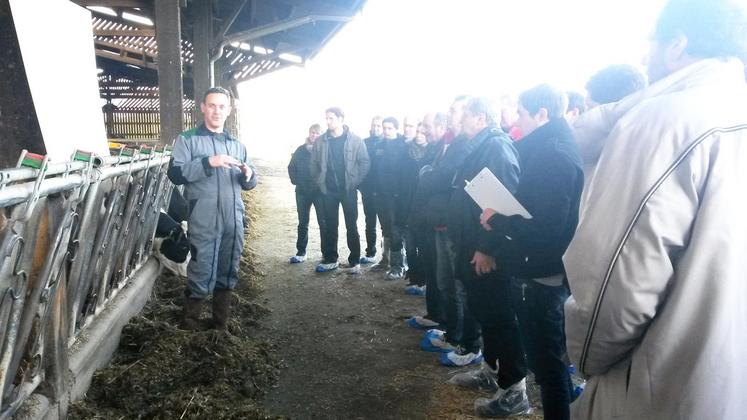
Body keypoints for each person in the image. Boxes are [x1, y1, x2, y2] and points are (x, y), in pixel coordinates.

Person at [564, 0, 747, 418]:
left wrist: (585, 357)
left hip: (659, 389)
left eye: (651, 43)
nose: (645, 57)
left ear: (676, 45)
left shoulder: (663, 121)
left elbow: (615, 286)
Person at [478, 84, 583, 420]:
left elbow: (547, 226)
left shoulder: (553, 154)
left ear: (542, 113)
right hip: (539, 266)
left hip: (541, 272)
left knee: (547, 365)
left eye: (523, 112)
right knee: (549, 362)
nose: (518, 121)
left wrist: (501, 221)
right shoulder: (551, 147)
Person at [446, 96, 530, 417]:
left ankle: (515, 391)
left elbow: (501, 201)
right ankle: (492, 370)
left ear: (479, 116)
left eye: (462, 114)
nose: (459, 119)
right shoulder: (479, 145)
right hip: (472, 245)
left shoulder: (496, 147)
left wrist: (487, 247)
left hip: (485, 251)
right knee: (485, 312)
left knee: (499, 316)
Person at [167, 86, 257, 331]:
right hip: (204, 217)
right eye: (212, 105)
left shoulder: (237, 145)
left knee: (229, 266)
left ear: (228, 110)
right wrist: (208, 162)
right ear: (203, 107)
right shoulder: (187, 140)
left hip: (233, 218)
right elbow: (175, 173)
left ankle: (220, 325)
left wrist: (248, 175)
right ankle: (190, 323)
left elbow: (250, 180)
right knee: (201, 265)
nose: (217, 111)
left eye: (222, 106)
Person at [310, 107, 370, 274]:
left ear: (341, 119)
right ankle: (331, 259)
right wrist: (319, 182)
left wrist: (354, 182)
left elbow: (364, 162)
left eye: (331, 118)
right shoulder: (321, 141)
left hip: (348, 190)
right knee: (330, 225)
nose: (328, 122)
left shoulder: (355, 140)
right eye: (326, 118)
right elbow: (313, 164)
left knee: (351, 225)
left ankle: (355, 260)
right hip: (328, 191)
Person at [372, 117, 409, 279]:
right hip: (381, 195)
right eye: (384, 128)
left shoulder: (404, 146)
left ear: (396, 129)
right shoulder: (378, 146)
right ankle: (385, 260)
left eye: (389, 128)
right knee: (385, 229)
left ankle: (398, 266)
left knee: (396, 231)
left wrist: (400, 193)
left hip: (397, 197)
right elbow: (374, 170)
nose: (386, 131)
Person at [287, 124, 325, 263]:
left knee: (323, 223)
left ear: (322, 135)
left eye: (317, 133)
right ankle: (301, 252)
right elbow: (291, 167)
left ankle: (326, 253)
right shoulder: (301, 150)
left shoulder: (324, 151)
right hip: (302, 192)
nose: (314, 135)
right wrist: (297, 181)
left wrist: (323, 186)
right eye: (312, 133)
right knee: (303, 223)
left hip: (319, 193)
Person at [359, 116, 384, 264]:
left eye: (379, 126)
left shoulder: (387, 143)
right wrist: (361, 186)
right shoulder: (365, 143)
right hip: (367, 190)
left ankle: (386, 256)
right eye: (374, 125)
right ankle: (370, 252)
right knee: (370, 223)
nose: (376, 128)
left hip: (382, 192)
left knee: (385, 226)